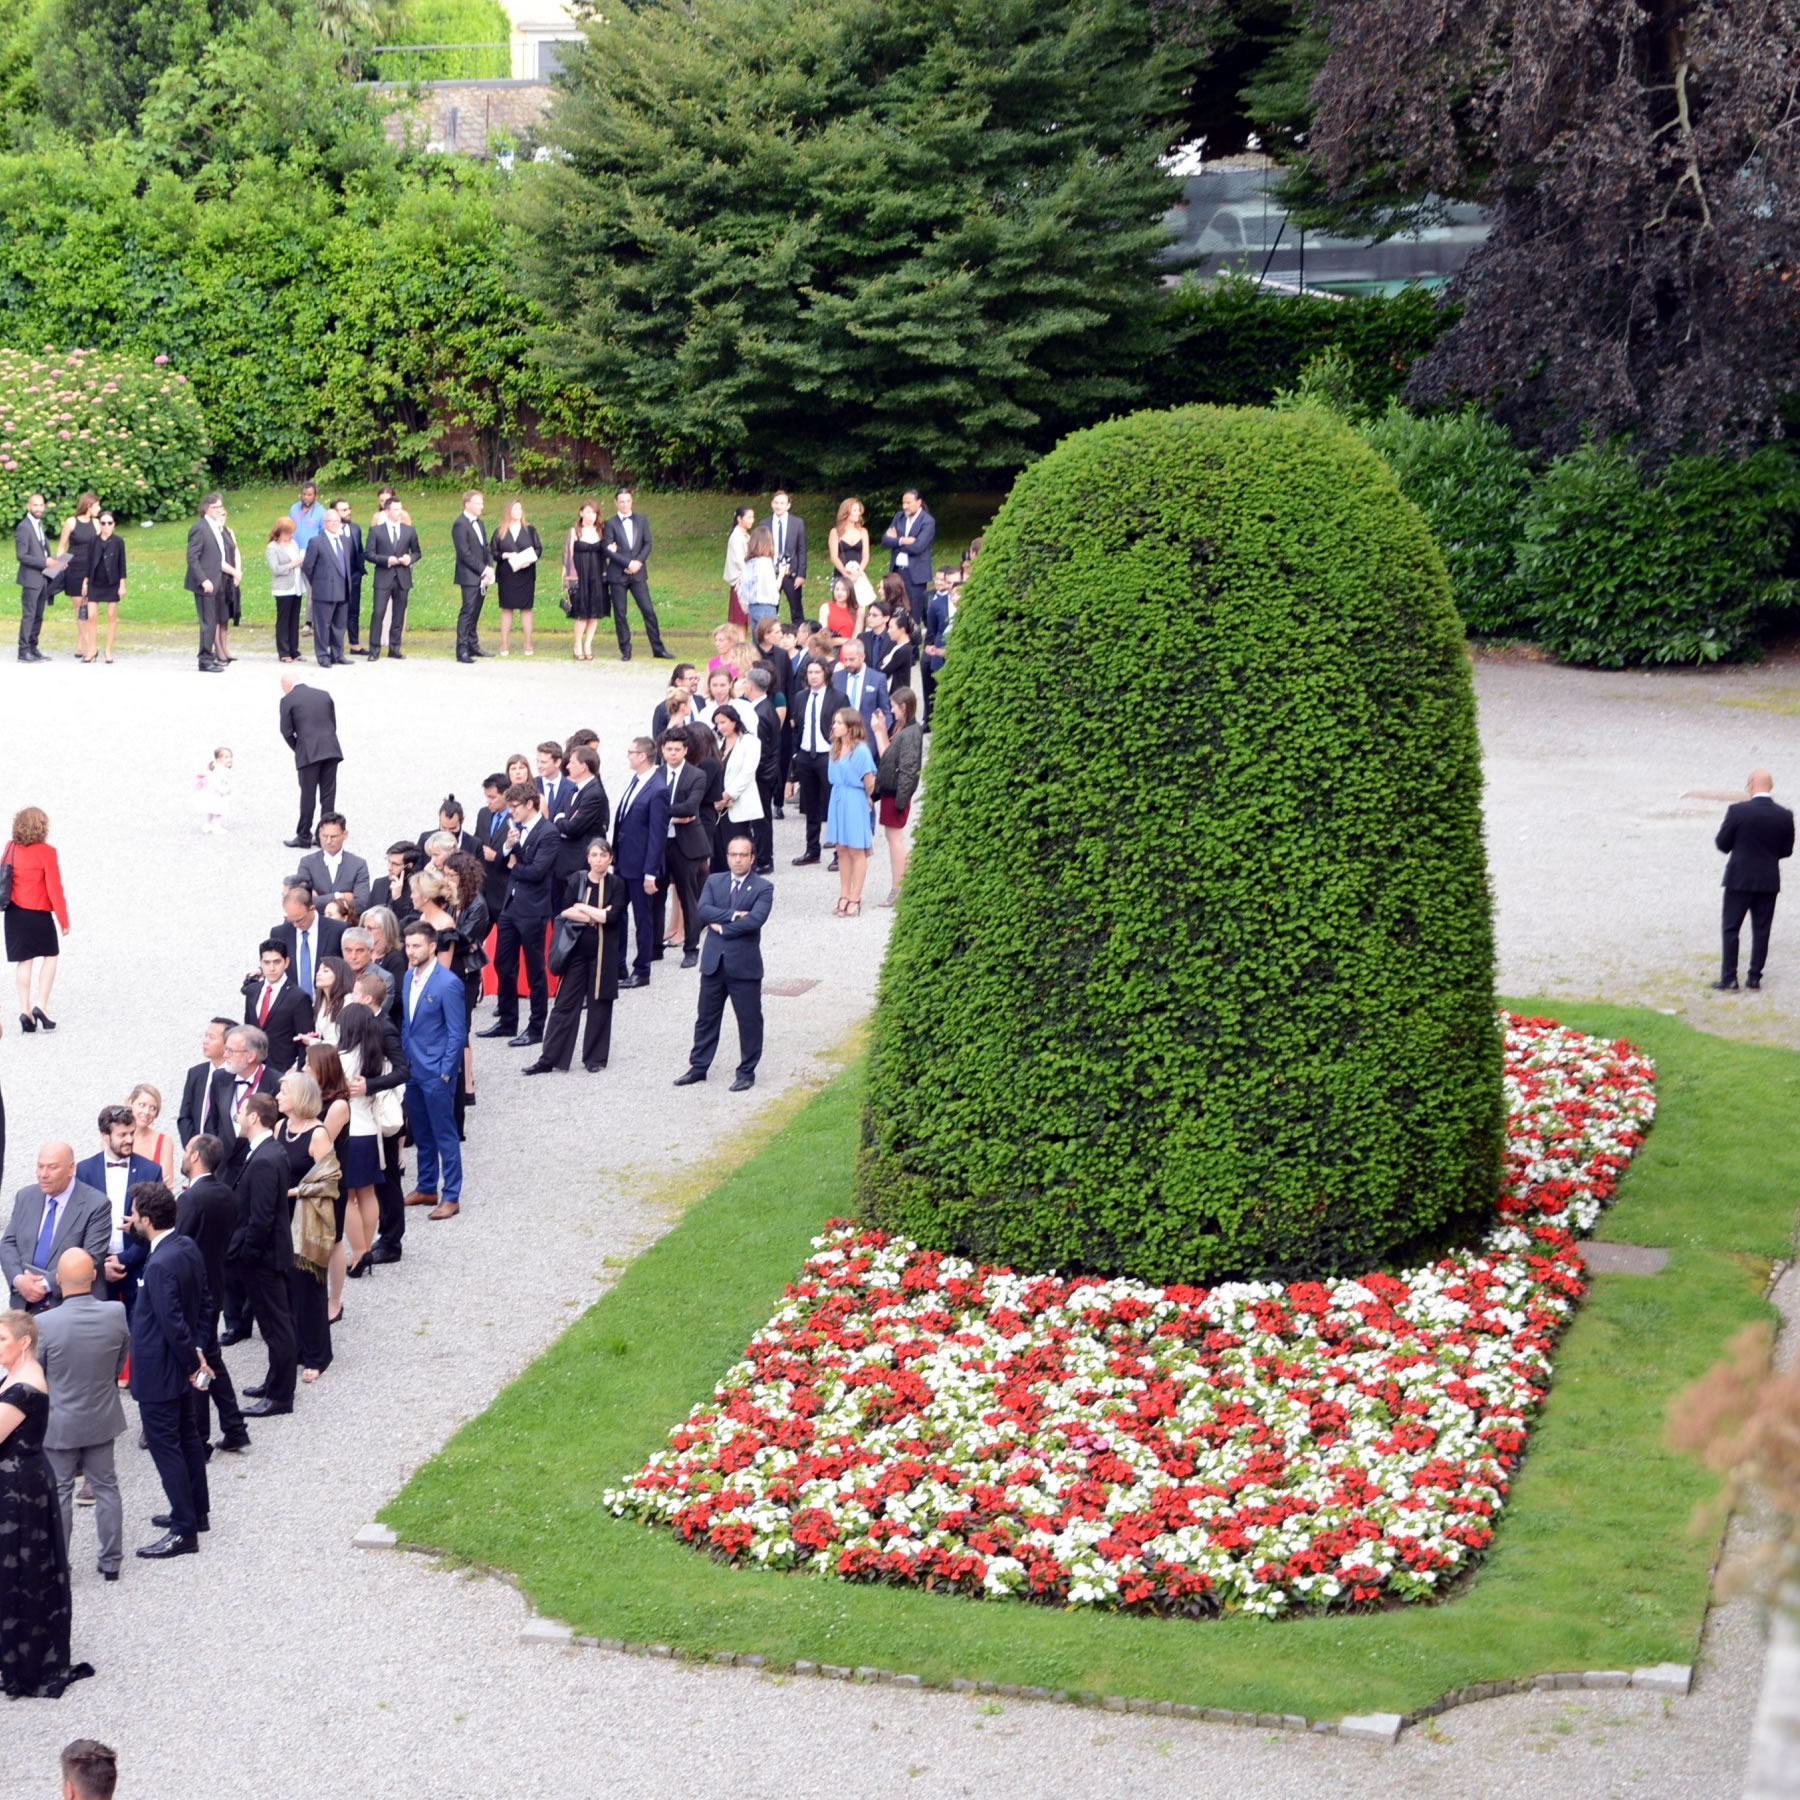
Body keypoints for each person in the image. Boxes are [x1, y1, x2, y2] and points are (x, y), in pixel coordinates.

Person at [0, 1309, 94, 1694]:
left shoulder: (23, 1387)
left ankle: (24, 1660)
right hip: (23, 1478)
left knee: (19, 1565)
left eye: (2, 1339)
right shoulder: (22, 1375)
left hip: (18, 1486)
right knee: (24, 1564)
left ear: (23, 1343)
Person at [126, 1182, 212, 1556]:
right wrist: (198, 1350)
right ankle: (197, 1512)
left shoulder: (160, 1264)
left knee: (167, 1447)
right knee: (188, 1438)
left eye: (135, 1215)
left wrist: (193, 1362)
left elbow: (171, 1321)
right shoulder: (186, 1247)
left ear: (147, 1219)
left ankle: (183, 1528)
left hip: (161, 1370)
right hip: (179, 1366)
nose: (131, 1220)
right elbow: (206, 1302)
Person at [36, 1249, 128, 1582]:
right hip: (102, 1415)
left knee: (59, 1491)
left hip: (60, 1421)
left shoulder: (45, 1323)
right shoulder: (116, 1312)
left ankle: (60, 1566)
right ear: (93, 1275)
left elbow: (37, 1375)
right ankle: (111, 1561)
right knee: (106, 1487)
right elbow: (119, 1363)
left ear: (58, 1280)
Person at [675, 834, 773, 1092]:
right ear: (727, 857)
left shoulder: (763, 887)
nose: (738, 859)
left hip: (744, 966)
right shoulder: (714, 881)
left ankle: (746, 1071)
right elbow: (702, 910)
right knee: (706, 1018)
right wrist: (734, 916)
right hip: (713, 964)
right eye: (733, 855)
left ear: (752, 858)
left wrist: (722, 928)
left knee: (749, 1020)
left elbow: (756, 920)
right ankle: (698, 1067)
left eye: (743, 855)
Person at [174, 1135, 249, 1454]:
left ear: (195, 1157)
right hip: (215, 1284)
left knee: (197, 1359)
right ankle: (233, 1426)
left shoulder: (191, 1200)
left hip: (193, 1292)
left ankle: (200, 1437)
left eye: (187, 1150)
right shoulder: (225, 1193)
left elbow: (176, 1242)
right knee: (210, 1354)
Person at [527, 839, 625, 1076]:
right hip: (576, 952)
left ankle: (595, 1057)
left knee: (600, 1004)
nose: (598, 859)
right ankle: (549, 1057)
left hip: (604, 953)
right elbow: (565, 911)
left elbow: (612, 918)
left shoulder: (617, 884)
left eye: (603, 855)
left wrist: (585, 909)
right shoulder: (576, 879)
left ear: (610, 858)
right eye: (594, 855)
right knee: (564, 1004)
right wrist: (596, 914)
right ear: (588, 857)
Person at [227, 1094, 296, 1416]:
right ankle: (273, 1383)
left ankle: (281, 1396)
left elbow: (262, 1217)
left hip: (265, 1259)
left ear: (254, 1117)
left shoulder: (266, 1158)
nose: (238, 1117)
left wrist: (246, 1255)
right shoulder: (265, 1152)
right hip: (263, 1256)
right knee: (271, 1326)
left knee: (276, 1327)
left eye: (242, 1112)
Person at [279, 1062, 346, 1379]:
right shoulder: (281, 1128)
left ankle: (317, 1356)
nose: (278, 1096)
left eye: (284, 1091)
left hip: (307, 1219)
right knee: (287, 1287)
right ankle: (295, 1348)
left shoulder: (317, 1133)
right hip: (282, 1217)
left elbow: (332, 1177)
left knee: (309, 1287)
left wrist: (296, 1190)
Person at [480, 783, 559, 1047]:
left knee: (536, 970)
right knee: (503, 963)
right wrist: (506, 849)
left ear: (530, 804)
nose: (511, 810)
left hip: (533, 909)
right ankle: (507, 1019)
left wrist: (516, 864)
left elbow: (538, 871)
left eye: (514, 806)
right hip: (510, 906)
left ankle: (536, 1028)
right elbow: (502, 864)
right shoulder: (515, 829)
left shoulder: (548, 833)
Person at [400, 918, 467, 1220]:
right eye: (407, 944)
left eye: (416, 946)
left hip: (436, 1072)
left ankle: (451, 1195)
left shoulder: (448, 983)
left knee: (444, 1134)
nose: (410, 951)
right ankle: (427, 1186)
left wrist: (446, 1072)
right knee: (422, 1132)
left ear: (431, 946)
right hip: (413, 1068)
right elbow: (408, 1024)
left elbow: (457, 1032)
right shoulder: (407, 977)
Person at [1714, 769, 1798, 991]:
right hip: (1768, 880)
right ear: (1771, 786)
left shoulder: (1737, 811)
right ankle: (1754, 977)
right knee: (1762, 929)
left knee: (1731, 928)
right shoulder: (1785, 815)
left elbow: (1722, 844)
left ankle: (1730, 978)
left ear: (1751, 783)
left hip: (1739, 879)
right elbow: (1787, 850)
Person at [347, 973, 410, 1264]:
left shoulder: (384, 1027)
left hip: (382, 1114)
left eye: (355, 993)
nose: (351, 997)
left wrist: (368, 1086)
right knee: (379, 1180)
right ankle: (380, 1238)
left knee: (389, 1180)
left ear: (367, 999)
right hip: (366, 1113)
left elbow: (402, 1070)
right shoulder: (364, 1022)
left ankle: (391, 1241)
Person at [77, 1106, 158, 1316]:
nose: (129, 1139)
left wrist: (125, 1259)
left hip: (139, 1266)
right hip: (97, 1269)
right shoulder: (84, 1171)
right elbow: (77, 1225)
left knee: (139, 1335)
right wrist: (100, 1264)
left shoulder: (150, 1170)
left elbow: (158, 1224)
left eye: (132, 1133)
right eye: (122, 1135)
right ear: (105, 1135)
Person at [611, 736, 671, 986]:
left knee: (643, 918)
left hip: (641, 866)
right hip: (624, 862)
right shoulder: (637, 781)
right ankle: (618, 965)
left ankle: (642, 969)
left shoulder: (658, 789)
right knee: (617, 914)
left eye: (631, 752)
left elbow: (657, 835)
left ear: (643, 756)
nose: (628, 756)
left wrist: (650, 873)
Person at [334, 1003, 388, 1278]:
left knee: (347, 1197)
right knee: (367, 1193)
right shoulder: (374, 1056)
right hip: (368, 1131)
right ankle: (365, 1248)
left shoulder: (341, 1057)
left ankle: (357, 1252)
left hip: (348, 1133)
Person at [6, 805, 69, 1033]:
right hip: (38, 914)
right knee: (51, 955)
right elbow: (54, 888)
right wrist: (63, 919)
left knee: (24, 961)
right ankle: (41, 1004)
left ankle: (24, 1010)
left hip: (14, 914)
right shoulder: (47, 852)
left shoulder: (10, 847)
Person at [657, 728, 712, 969]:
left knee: (688, 896)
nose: (672, 753)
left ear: (686, 750)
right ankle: (653, 947)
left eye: (677, 749)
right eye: (668, 749)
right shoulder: (656, 774)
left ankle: (691, 948)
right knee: (656, 896)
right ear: (662, 750)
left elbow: (690, 807)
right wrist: (671, 815)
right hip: (659, 844)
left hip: (686, 844)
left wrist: (661, 812)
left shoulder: (696, 775)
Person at [603, 487, 672, 660]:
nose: (625, 504)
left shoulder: (641, 520)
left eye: (627, 501)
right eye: (621, 501)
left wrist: (638, 563)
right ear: (616, 503)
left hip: (638, 574)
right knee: (620, 613)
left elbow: (648, 543)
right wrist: (627, 563)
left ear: (631, 501)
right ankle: (626, 650)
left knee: (648, 610)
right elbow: (608, 549)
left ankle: (658, 648)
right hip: (618, 575)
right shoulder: (610, 523)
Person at [279, 674, 344, 850]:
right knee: (328, 795)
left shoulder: (288, 700)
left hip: (308, 753)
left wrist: (299, 748)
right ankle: (327, 836)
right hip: (331, 749)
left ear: (286, 686)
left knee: (308, 795)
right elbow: (333, 724)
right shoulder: (324, 694)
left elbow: (286, 731)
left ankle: (304, 835)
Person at [874, 686, 923, 905]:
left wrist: (902, 800)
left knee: (895, 839)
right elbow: (889, 756)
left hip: (896, 793)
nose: (892, 710)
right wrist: (882, 729)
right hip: (891, 791)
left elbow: (908, 767)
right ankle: (899, 885)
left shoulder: (911, 732)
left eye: (894, 706)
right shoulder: (902, 727)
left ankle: (898, 888)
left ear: (903, 706)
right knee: (892, 838)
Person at [827, 707, 878, 916]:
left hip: (854, 799)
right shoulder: (836, 747)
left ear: (850, 726)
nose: (835, 726)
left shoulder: (861, 751)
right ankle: (844, 893)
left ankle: (856, 896)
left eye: (839, 723)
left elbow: (869, 780)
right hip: (837, 798)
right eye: (835, 722)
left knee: (856, 849)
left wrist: (867, 797)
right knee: (842, 849)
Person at [789, 657, 836, 867]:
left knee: (832, 805)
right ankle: (812, 849)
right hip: (807, 755)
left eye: (817, 672)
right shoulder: (800, 697)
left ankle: (838, 852)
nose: (813, 676)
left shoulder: (837, 697)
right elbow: (797, 726)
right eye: (810, 672)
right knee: (810, 805)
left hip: (828, 754)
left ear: (825, 674)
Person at [242, 939, 314, 1073]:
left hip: (283, 1070)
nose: (272, 968)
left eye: (277, 962)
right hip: (254, 1068)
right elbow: (248, 1029)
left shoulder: (298, 997)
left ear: (286, 962)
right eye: (267, 962)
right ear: (260, 963)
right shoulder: (252, 991)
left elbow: (306, 1039)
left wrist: (297, 1068)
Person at [365, 493, 421, 660]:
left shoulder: (409, 530)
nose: (400, 512)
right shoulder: (376, 531)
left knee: (399, 614)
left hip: (402, 577)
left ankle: (394, 648)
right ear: (387, 511)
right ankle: (374, 649)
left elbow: (417, 552)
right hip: (384, 577)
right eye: (396, 509)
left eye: (401, 508)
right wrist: (386, 560)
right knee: (378, 613)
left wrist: (409, 559)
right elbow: (369, 554)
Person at [711, 703, 764, 873]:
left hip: (737, 804)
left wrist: (727, 795)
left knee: (738, 846)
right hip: (717, 806)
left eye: (724, 722)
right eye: (717, 723)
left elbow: (747, 773)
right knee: (718, 850)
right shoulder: (717, 742)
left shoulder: (750, 741)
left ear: (734, 721)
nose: (720, 727)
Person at [300, 504, 354, 668]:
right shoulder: (317, 541)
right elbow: (308, 567)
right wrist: (318, 583)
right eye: (330, 521)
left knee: (339, 625)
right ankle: (323, 655)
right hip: (324, 591)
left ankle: (338, 654)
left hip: (343, 589)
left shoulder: (344, 540)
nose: (334, 523)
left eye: (337, 520)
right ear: (324, 523)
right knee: (323, 626)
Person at [552, 744, 611, 882]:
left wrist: (560, 821)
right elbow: (559, 813)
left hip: (578, 863)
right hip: (566, 862)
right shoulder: (577, 789)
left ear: (583, 766)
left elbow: (573, 828)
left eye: (572, 762)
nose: (567, 766)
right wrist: (562, 819)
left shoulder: (593, 794)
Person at [177, 1017, 236, 1149]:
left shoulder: (237, 1076)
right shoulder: (196, 1073)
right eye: (205, 1036)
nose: (205, 1041)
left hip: (224, 1156)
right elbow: (185, 1116)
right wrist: (192, 1146)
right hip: (196, 1155)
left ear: (228, 1043)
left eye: (212, 1037)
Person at [493, 499, 542, 657]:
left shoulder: (530, 530)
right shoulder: (500, 531)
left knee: (526, 608)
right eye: (515, 509)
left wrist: (530, 560)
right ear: (508, 512)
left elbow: (538, 549)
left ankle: (528, 642)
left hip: (525, 573)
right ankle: (504, 643)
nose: (518, 512)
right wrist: (506, 555)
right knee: (507, 608)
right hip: (507, 573)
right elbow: (493, 552)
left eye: (520, 509)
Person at [563, 501, 609, 662]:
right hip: (580, 575)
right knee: (582, 613)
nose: (591, 516)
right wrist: (568, 579)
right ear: (581, 513)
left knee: (594, 613)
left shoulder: (601, 531)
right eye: (588, 512)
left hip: (596, 576)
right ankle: (577, 644)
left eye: (594, 513)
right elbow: (568, 557)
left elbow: (607, 552)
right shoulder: (574, 531)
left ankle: (588, 644)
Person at [451, 488, 494, 663]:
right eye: (478, 503)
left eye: (482, 503)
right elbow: (464, 553)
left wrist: (489, 569)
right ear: (467, 504)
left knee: (476, 611)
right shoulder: (460, 524)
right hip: (468, 575)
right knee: (467, 611)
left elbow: (486, 547)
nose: (481, 506)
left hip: (482, 574)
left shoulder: (480, 523)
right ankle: (461, 649)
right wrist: (483, 569)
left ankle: (472, 644)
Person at [298, 812, 371, 913]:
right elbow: (304, 901)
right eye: (324, 836)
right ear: (319, 833)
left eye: (333, 837)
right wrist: (341, 896)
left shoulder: (359, 865)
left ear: (345, 835)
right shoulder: (307, 863)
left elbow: (361, 903)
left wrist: (320, 900)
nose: (328, 841)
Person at [58, 492, 101, 664]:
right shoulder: (71, 522)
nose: (99, 508)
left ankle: (85, 645)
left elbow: (100, 547)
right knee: (79, 609)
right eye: (97, 505)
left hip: (90, 570)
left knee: (89, 610)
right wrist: (61, 564)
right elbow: (61, 547)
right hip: (74, 569)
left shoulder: (97, 523)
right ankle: (90, 646)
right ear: (89, 506)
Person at [882, 488, 937, 617]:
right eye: (903, 503)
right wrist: (903, 540)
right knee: (894, 608)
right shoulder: (899, 517)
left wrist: (895, 542)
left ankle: (913, 637)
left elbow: (918, 547)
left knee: (914, 611)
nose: (905, 506)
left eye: (908, 503)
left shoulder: (927, 521)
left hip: (915, 574)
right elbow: (885, 540)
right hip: (897, 571)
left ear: (919, 502)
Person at [832, 636, 893, 747]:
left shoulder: (877, 679)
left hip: (868, 740)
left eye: (851, 659)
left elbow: (885, 712)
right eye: (845, 659)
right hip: (841, 741)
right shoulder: (836, 678)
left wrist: (881, 736)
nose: (847, 664)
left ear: (862, 657)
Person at [84, 508, 126, 664]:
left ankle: (108, 650)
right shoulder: (93, 541)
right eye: (103, 523)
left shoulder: (118, 541)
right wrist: (85, 581)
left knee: (111, 616)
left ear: (114, 524)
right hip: (95, 582)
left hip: (112, 582)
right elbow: (88, 563)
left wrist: (122, 584)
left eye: (109, 523)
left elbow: (122, 564)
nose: (106, 526)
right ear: (99, 524)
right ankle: (92, 649)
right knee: (91, 616)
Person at [14, 491, 51, 663]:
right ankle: (23, 651)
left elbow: (42, 549)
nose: (38, 508)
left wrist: (55, 563)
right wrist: (45, 562)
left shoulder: (39, 524)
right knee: (29, 615)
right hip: (31, 578)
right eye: (35, 505)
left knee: (38, 615)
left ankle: (33, 648)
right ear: (28, 506)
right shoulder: (24, 526)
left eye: (41, 505)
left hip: (43, 577)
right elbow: (22, 555)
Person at [266, 517, 306, 663]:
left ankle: (294, 650)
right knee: (284, 620)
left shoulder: (294, 544)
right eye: (288, 533)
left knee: (294, 619)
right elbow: (275, 569)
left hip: (296, 586)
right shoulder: (273, 547)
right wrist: (293, 564)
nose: (291, 536)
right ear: (280, 532)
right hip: (283, 588)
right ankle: (283, 651)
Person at [922, 563, 958, 725]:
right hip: (940, 654)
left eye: (955, 583)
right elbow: (933, 628)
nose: (952, 586)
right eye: (949, 582)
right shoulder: (937, 604)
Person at [829, 497, 875, 614]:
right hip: (842, 573)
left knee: (860, 607)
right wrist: (846, 574)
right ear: (846, 513)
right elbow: (834, 556)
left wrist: (858, 572)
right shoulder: (835, 532)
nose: (858, 513)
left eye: (858, 510)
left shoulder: (863, 532)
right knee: (842, 607)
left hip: (858, 573)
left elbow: (866, 555)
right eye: (855, 510)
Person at [126, 1084, 178, 1185]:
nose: (146, 1112)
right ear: (130, 1103)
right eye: (142, 1105)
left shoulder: (164, 1142)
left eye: (153, 1108)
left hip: (153, 1200)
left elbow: (165, 1185)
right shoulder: (115, 1137)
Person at [213, 502, 244, 667]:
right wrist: (233, 572)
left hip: (231, 579)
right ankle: (218, 649)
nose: (222, 518)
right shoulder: (214, 534)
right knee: (218, 616)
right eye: (219, 515)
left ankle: (225, 647)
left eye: (224, 515)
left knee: (226, 616)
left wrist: (238, 571)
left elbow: (236, 550)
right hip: (220, 577)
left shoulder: (229, 531)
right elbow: (218, 559)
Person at [333, 498, 366, 651]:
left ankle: (355, 644)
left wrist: (359, 571)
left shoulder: (355, 529)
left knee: (354, 610)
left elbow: (360, 550)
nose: (349, 512)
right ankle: (335, 645)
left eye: (349, 508)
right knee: (336, 612)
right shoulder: (328, 532)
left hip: (353, 576)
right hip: (336, 578)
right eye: (344, 510)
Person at [770, 488, 807, 623]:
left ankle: (799, 640)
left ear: (788, 505)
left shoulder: (797, 523)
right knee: (771, 608)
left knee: (796, 609)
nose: (778, 506)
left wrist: (801, 574)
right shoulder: (765, 523)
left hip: (792, 573)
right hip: (771, 572)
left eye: (782, 503)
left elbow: (802, 549)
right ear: (772, 504)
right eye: (776, 502)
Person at [305, 955, 354, 1047]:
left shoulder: (349, 1001)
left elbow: (347, 1042)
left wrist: (313, 1042)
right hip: (327, 1057)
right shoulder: (321, 1001)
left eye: (325, 971)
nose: (318, 974)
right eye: (318, 970)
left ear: (339, 975)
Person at [739, 522, 779, 630]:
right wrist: (782, 573)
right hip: (766, 607)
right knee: (769, 642)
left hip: (753, 607)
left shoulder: (749, 563)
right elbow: (772, 588)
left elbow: (744, 585)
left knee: (757, 642)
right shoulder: (765, 562)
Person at [722, 503, 753, 628]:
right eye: (749, 517)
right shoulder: (736, 536)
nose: (752, 520)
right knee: (740, 622)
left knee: (745, 621)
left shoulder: (745, 535)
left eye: (752, 517)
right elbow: (739, 560)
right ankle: (740, 646)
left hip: (745, 581)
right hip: (740, 582)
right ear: (740, 519)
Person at [196, 745, 233, 832]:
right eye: (226, 757)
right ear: (219, 759)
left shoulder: (216, 767)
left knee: (211, 809)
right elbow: (217, 783)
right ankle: (216, 826)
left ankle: (207, 824)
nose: (230, 759)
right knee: (220, 810)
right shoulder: (220, 771)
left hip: (211, 793)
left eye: (230, 757)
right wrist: (225, 790)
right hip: (218, 794)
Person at [289, 479, 326, 553]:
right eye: (304, 494)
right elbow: (287, 527)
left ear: (315, 496)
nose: (306, 497)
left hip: (311, 551)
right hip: (292, 550)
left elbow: (324, 534)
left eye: (309, 495)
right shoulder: (294, 508)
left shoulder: (322, 512)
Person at [823, 573, 861, 643]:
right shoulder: (826, 607)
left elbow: (857, 635)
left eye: (843, 590)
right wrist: (847, 641)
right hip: (831, 649)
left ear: (850, 591)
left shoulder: (858, 609)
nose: (839, 593)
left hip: (850, 649)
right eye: (837, 589)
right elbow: (823, 636)